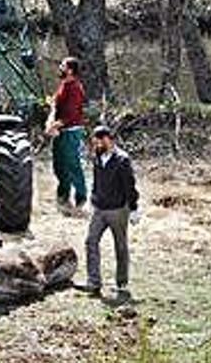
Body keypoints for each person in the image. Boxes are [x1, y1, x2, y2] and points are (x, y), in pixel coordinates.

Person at [75, 125, 141, 298]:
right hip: (99, 209)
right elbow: (96, 181)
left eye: (98, 142)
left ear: (107, 140)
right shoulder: (98, 156)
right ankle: (93, 282)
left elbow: (130, 186)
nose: (95, 146)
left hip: (118, 210)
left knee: (120, 246)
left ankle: (121, 282)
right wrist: (93, 199)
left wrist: (133, 208)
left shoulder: (122, 160)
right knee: (91, 241)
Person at [47, 56, 87, 207]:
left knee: (72, 165)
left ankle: (81, 198)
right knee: (59, 165)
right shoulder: (64, 84)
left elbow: (71, 115)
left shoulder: (75, 88)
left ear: (70, 70)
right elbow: (57, 103)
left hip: (70, 132)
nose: (60, 67)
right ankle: (63, 196)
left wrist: (54, 125)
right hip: (61, 132)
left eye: (63, 65)